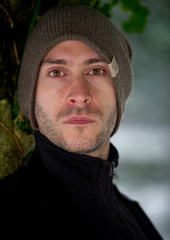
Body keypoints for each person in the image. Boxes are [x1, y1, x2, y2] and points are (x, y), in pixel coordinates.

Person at [0, 4, 163, 239]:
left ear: (120, 94)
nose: (79, 93)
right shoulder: (10, 215)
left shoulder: (133, 213)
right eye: (57, 72)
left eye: (96, 71)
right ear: (31, 94)